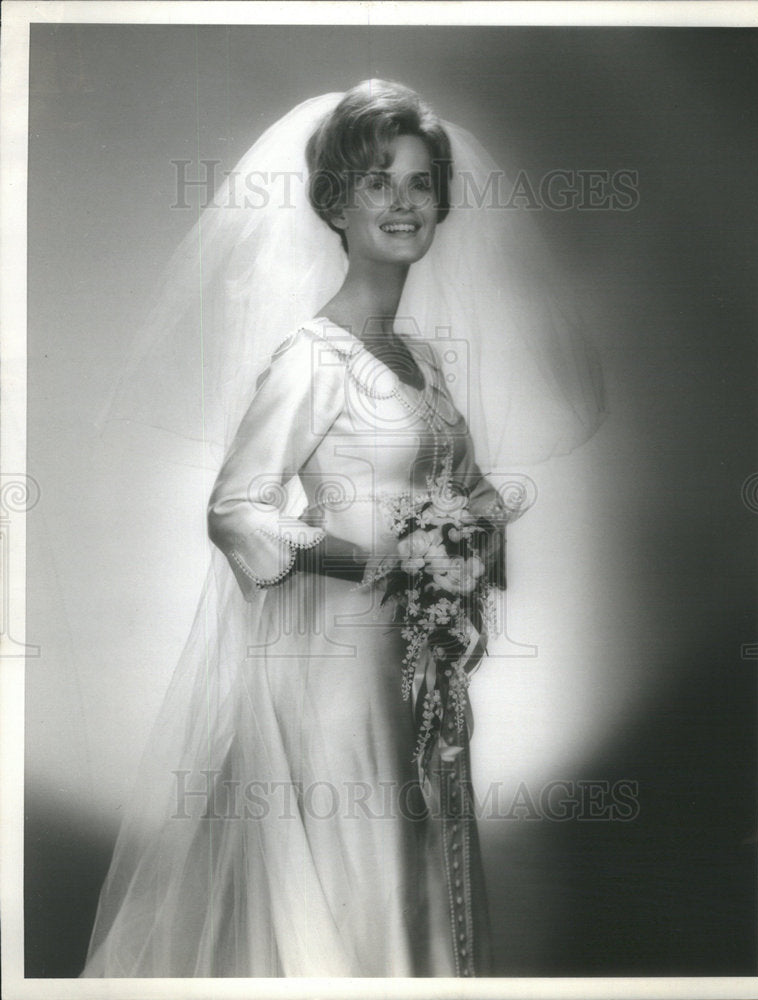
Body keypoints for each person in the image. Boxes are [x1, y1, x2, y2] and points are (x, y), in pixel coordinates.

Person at [82, 80, 603, 978]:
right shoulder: (314, 357)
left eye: (419, 183)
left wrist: (470, 540)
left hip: (413, 666)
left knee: (416, 856)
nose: (401, 204)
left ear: (442, 201)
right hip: (329, 671)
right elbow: (236, 508)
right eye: (377, 183)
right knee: (361, 864)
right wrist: (380, 559)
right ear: (335, 202)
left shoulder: (424, 363)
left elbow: (464, 494)